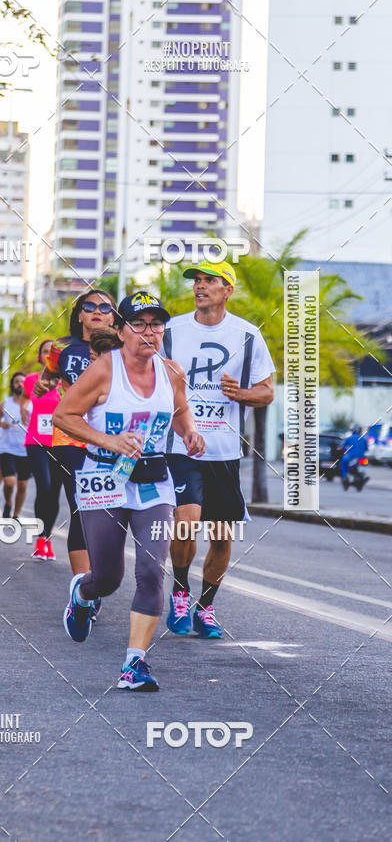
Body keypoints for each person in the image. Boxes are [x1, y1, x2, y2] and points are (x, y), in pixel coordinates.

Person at [53, 292, 204, 691]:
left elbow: (180, 408)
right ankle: (83, 595)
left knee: (153, 571)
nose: (148, 332)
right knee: (107, 577)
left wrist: (188, 431)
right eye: (139, 323)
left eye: (156, 324)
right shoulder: (104, 370)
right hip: (103, 476)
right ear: (121, 331)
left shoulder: (171, 372)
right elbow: (64, 416)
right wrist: (109, 440)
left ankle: (134, 663)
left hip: (154, 478)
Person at [161, 260, 275, 638]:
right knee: (186, 521)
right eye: (197, 280)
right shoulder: (172, 330)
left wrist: (240, 394)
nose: (200, 286)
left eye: (211, 280)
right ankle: (180, 592)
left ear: (228, 290)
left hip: (225, 451)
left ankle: (205, 607)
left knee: (222, 534)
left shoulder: (246, 335)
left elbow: (267, 390)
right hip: (181, 444)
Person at [33, 289, 117, 581]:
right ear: (79, 314)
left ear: (114, 315)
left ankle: (99, 572)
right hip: (70, 435)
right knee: (81, 504)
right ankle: (83, 590)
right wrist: (41, 387)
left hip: (112, 438)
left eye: (105, 307)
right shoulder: (61, 347)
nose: (97, 310)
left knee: (105, 511)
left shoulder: (124, 348)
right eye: (89, 305)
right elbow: (47, 378)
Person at [22, 341, 62, 560]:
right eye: (46, 352)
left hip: (60, 442)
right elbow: (34, 394)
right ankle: (39, 538)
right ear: (40, 357)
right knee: (44, 487)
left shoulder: (68, 382)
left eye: (53, 352)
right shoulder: (32, 380)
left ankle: (47, 538)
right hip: (36, 441)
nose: (50, 355)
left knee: (55, 493)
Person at [0, 372, 31, 520]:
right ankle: (8, 502)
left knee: (22, 485)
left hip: (25, 450)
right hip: (7, 448)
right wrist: (0, 423)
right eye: (17, 381)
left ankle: (16, 514)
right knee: (10, 482)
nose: (20, 384)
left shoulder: (31, 404)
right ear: (12, 385)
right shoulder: (5, 403)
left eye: (22, 382)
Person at [340, 424, 369, 490]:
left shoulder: (349, 438)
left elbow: (341, 447)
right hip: (362, 458)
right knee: (365, 464)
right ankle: (362, 476)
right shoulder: (364, 439)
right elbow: (366, 449)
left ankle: (344, 476)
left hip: (351, 457)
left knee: (343, 461)